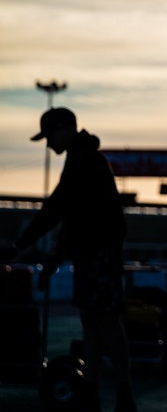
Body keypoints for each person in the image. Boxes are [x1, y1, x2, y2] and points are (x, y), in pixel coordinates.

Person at [2, 107, 136, 412]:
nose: (48, 144)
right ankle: (98, 392)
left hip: (99, 254)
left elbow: (58, 211)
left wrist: (22, 246)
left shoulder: (84, 161)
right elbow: (68, 215)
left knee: (105, 322)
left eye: (50, 136)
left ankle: (118, 394)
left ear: (65, 130)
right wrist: (53, 256)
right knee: (96, 322)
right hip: (97, 254)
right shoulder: (84, 158)